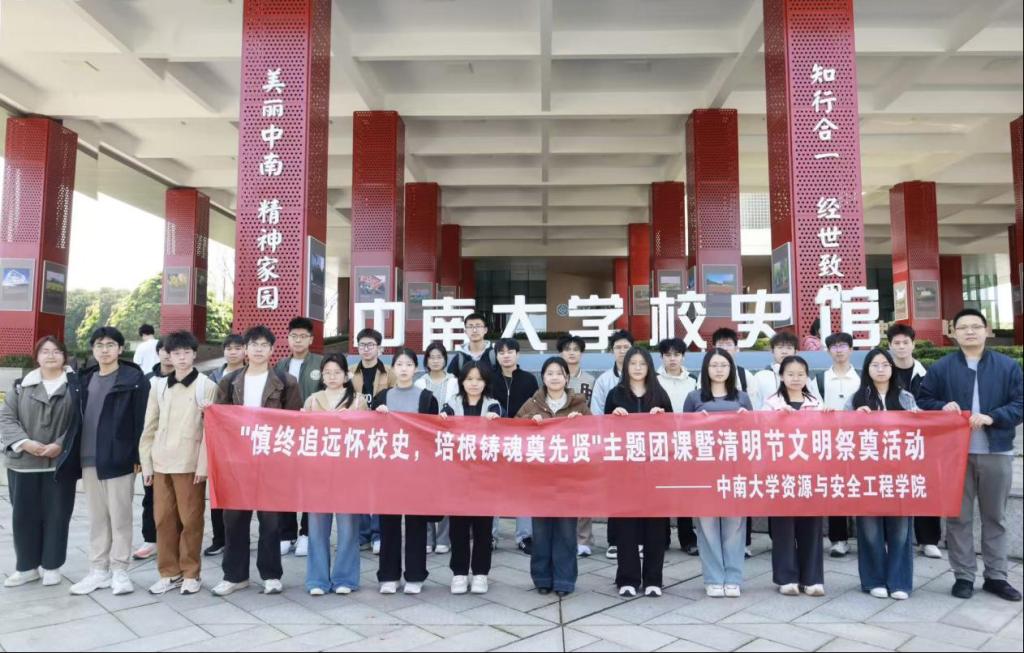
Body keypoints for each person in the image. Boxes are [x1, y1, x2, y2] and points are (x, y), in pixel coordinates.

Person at [918, 308, 1023, 603]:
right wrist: (942, 407)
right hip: (956, 455)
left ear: (987, 330)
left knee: (995, 517)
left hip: (996, 450)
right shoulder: (942, 368)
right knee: (958, 517)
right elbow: (924, 399)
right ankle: (963, 575)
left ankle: (996, 576)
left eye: (976, 326)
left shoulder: (1007, 367)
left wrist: (993, 417)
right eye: (963, 327)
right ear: (954, 333)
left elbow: (1020, 403)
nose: (970, 331)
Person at [211, 326, 302, 597]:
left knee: (271, 522)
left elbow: (294, 424)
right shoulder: (229, 382)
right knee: (234, 520)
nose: (259, 349)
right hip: (237, 462)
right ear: (246, 349)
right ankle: (234, 575)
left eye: (264, 345)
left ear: (272, 350)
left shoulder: (286, 382)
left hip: (271, 462)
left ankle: (271, 575)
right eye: (254, 344)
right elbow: (219, 422)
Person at [67, 327, 150, 596]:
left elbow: (142, 420)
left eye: (111, 345)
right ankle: (98, 570)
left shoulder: (133, 379)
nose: (105, 350)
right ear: (93, 349)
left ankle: (120, 570)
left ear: (120, 349)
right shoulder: (84, 379)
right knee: (97, 518)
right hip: (88, 457)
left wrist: (138, 456)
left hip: (119, 458)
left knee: (120, 517)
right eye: (100, 345)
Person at [139, 330, 218, 596]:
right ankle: (168, 572)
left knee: (191, 521)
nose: (181, 357)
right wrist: (146, 464)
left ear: (195, 354)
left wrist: (203, 466)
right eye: (176, 353)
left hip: (189, 463)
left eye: (186, 352)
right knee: (163, 520)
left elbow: (211, 431)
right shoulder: (158, 386)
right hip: (161, 462)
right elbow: (149, 426)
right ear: (168, 356)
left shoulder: (207, 386)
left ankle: (191, 573)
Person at [0, 337, 81, 588]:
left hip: (59, 463)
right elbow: (6, 417)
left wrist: (60, 444)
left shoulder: (76, 387)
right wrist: (25, 443)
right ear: (36, 357)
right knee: (24, 516)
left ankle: (52, 566)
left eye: (56, 351)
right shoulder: (20, 386)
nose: (51, 356)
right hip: (23, 463)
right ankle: (27, 568)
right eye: (45, 351)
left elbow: (79, 420)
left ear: (64, 356)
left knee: (58, 514)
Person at [517, 357, 590, 596]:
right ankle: (542, 578)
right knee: (541, 531)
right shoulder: (532, 403)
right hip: (540, 480)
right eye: (550, 373)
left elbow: (594, 436)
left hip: (569, 479)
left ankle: (564, 581)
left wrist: (581, 423)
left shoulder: (579, 404)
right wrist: (529, 423)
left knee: (566, 532)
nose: (555, 377)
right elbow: (514, 431)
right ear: (543, 378)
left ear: (567, 378)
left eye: (559, 373)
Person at [683, 348, 753, 598]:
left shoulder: (742, 398)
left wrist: (747, 420)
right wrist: (695, 421)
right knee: (707, 526)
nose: (719, 369)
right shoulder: (694, 398)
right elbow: (682, 435)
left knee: (734, 526)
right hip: (704, 471)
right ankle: (713, 578)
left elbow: (753, 436)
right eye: (714, 365)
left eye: (724, 365)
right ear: (706, 369)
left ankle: (733, 577)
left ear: (731, 369)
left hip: (735, 470)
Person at [849, 348, 918, 601]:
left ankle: (899, 581)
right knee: (869, 529)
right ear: (867, 369)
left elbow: (920, 431)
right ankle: (873, 580)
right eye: (875, 365)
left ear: (892, 368)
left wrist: (917, 418)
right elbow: (841, 433)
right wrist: (854, 419)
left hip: (900, 474)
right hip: (866, 475)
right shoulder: (856, 399)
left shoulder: (906, 398)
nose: (880, 369)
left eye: (885, 364)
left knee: (900, 530)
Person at [605, 347, 674, 598]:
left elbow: (673, 432)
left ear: (649, 368)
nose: (637, 368)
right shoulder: (616, 394)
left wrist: (662, 417)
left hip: (655, 472)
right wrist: (613, 417)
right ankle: (627, 578)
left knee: (655, 527)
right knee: (626, 527)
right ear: (625, 367)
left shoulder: (659, 394)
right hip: (624, 472)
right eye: (632, 363)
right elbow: (603, 432)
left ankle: (653, 579)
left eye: (642, 364)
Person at [372, 348, 439, 594]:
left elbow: (433, 435)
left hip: (417, 471)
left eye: (408, 364)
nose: (403, 368)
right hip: (388, 471)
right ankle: (389, 576)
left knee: (416, 524)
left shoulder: (427, 398)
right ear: (393, 368)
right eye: (399, 364)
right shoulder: (382, 398)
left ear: (416, 368)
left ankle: (415, 575)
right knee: (388, 524)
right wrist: (377, 416)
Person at [761, 355, 826, 597]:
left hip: (810, 473)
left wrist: (829, 416)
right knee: (783, 527)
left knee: (812, 525)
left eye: (801, 374)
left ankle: (812, 578)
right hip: (781, 474)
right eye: (790, 374)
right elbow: (760, 434)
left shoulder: (816, 403)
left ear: (807, 377)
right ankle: (786, 577)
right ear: (781, 376)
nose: (796, 378)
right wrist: (776, 419)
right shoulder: (771, 404)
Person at [303, 354, 366, 596]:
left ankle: (345, 578)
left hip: (348, 473)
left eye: (337, 372)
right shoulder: (312, 401)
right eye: (327, 372)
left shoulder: (358, 401)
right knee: (317, 528)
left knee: (348, 528)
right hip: (318, 472)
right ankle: (317, 580)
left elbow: (367, 435)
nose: (332, 377)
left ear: (346, 376)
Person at [440, 361, 502, 594]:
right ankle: (458, 573)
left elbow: (503, 427)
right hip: (457, 477)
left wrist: (495, 420)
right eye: (469, 379)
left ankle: (480, 573)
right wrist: (442, 418)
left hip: (485, 478)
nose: (474, 383)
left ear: (486, 382)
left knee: (483, 529)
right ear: (462, 381)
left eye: (479, 379)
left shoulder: (493, 405)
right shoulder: (452, 404)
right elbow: (440, 425)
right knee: (458, 528)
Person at [887, 323, 940, 559]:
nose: (901, 347)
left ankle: (928, 540)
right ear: (890, 346)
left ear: (913, 344)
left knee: (923, 486)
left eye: (905, 342)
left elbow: (936, 403)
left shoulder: (927, 374)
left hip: (921, 441)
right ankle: (893, 539)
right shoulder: (883, 371)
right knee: (893, 489)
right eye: (896, 343)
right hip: (891, 442)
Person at [274, 317, 324, 558]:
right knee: (285, 483)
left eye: (303, 336)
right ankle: (287, 533)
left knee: (310, 484)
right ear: (288, 339)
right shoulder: (280, 365)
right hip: (285, 434)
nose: (298, 340)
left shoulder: (320, 363)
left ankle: (306, 533)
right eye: (294, 336)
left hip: (312, 433)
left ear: (311, 339)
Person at [709, 327, 760, 555]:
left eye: (729, 344)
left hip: (739, 447)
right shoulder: (704, 379)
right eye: (720, 344)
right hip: (712, 449)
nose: (725, 349)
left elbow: (755, 410)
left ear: (737, 349)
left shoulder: (746, 376)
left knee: (740, 493)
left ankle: (744, 543)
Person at [491, 338, 539, 555]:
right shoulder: (489, 378)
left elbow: (536, 406)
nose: (506, 356)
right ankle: (490, 535)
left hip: (522, 440)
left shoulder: (529, 380)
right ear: (496, 356)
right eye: (501, 352)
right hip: (494, 440)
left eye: (510, 351)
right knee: (492, 488)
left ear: (518, 355)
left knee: (524, 489)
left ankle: (525, 536)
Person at [590, 329, 634, 560]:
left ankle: (637, 539)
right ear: (612, 351)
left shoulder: (646, 377)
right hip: (614, 445)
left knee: (639, 494)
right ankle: (615, 541)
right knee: (616, 494)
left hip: (638, 447)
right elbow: (597, 413)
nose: (622, 351)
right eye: (618, 347)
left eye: (626, 347)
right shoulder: (604, 380)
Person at [350, 327, 396, 554]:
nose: (366, 349)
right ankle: (363, 534)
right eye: (362, 345)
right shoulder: (349, 372)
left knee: (380, 485)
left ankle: (378, 534)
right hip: (356, 435)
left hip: (382, 436)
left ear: (380, 348)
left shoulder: (390, 373)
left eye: (370, 345)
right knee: (358, 484)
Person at [815, 332, 859, 559]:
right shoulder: (819, 379)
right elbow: (812, 409)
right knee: (836, 490)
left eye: (843, 346)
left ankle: (866, 537)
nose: (839, 350)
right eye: (834, 346)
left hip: (860, 444)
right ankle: (838, 539)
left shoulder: (861, 378)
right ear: (828, 351)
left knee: (861, 489)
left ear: (851, 349)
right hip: (830, 444)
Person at [204, 334, 246, 558]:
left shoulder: (251, 375)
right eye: (228, 348)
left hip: (246, 441)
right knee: (218, 491)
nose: (232, 352)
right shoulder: (213, 377)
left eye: (237, 348)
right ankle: (219, 538)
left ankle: (239, 538)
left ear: (245, 351)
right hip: (220, 442)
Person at [414, 341, 458, 555]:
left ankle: (443, 537)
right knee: (425, 490)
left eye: (439, 356)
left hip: (448, 441)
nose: (435, 360)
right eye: (431, 357)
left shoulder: (455, 382)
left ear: (445, 359)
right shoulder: (419, 383)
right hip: (425, 442)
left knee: (447, 489)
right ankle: (427, 536)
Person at [656, 338, 699, 556]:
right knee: (661, 491)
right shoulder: (653, 381)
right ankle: (661, 538)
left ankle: (687, 538)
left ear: (683, 357)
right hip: (661, 443)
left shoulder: (694, 381)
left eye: (676, 354)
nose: (672, 359)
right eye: (668, 355)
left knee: (685, 492)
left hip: (686, 444)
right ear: (661, 357)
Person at [557, 335, 597, 557]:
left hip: (582, 441)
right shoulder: (553, 377)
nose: (571, 353)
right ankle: (564, 537)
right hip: (558, 443)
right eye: (567, 349)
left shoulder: (590, 380)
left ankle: (584, 538)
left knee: (583, 491)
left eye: (575, 349)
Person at [134, 339, 173, 563]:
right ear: (158, 353)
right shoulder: (146, 380)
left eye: (174, 351)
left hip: (177, 448)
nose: (168, 355)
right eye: (165, 350)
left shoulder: (189, 380)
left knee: (178, 498)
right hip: (151, 448)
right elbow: (139, 418)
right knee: (150, 496)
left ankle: (173, 539)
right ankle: (150, 539)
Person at [753, 332, 821, 408]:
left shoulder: (804, 379)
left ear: (796, 352)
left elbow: (816, 403)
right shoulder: (761, 376)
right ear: (772, 351)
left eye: (789, 348)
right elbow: (754, 405)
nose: (784, 352)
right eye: (780, 347)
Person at [446, 312, 497, 377]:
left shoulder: (495, 355)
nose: (474, 330)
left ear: (485, 330)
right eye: (470, 327)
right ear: (465, 331)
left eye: (478, 326)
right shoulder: (459, 358)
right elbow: (450, 380)